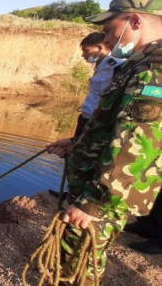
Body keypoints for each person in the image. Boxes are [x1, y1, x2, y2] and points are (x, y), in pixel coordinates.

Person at [46, 0, 162, 285]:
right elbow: (116, 126)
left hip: (104, 194)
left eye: (110, 29)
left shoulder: (153, 72)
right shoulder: (139, 63)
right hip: (99, 185)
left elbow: (137, 144)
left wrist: (94, 204)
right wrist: (77, 144)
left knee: (79, 260)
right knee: (73, 256)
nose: (107, 38)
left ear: (135, 20)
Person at [48, 32, 125, 199]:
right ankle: (73, 193)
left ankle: (83, 197)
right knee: (76, 156)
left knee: (87, 160)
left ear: (99, 48)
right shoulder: (100, 66)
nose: (84, 55)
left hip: (97, 123)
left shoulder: (117, 67)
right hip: (86, 119)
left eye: (86, 50)